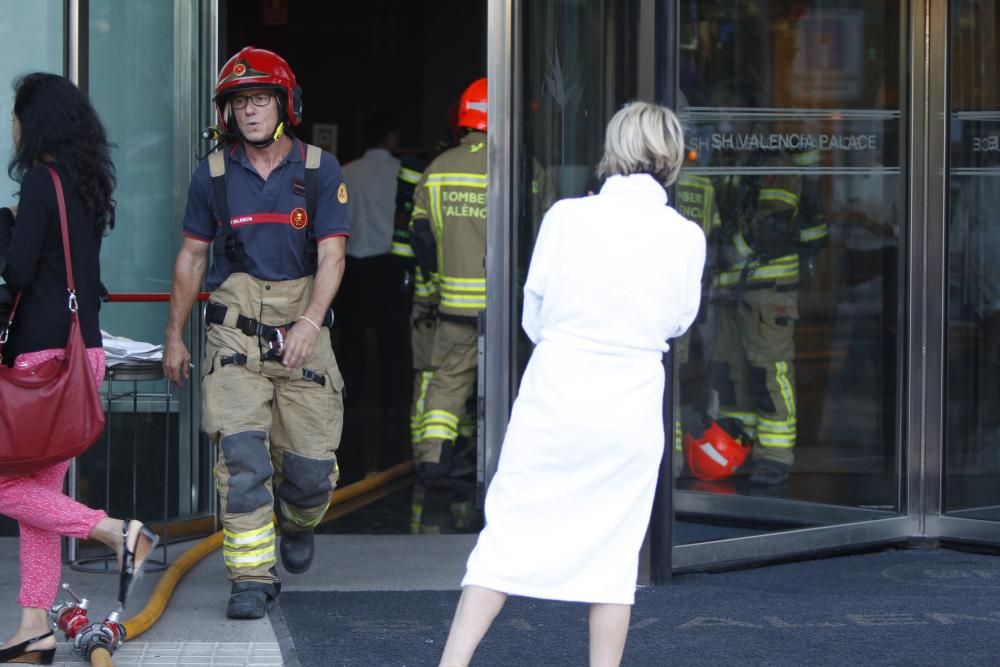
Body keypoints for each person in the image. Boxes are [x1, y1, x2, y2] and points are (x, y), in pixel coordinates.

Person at [439, 101, 706, 667]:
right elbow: (680, 321)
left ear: (615, 149)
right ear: (670, 157)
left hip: (556, 398)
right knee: (614, 559)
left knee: (506, 538)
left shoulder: (565, 216)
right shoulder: (686, 236)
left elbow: (533, 316)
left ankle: (453, 663)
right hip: (630, 408)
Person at [162, 46, 349, 620]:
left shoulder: (319, 169)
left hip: (303, 326)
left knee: (311, 473)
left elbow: (333, 256)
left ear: (284, 103)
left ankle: (295, 522)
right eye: (240, 101)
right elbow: (193, 258)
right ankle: (250, 579)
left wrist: (310, 322)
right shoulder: (213, 175)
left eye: (261, 98)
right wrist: (175, 333)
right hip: (233, 336)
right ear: (228, 113)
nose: (250, 110)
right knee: (243, 460)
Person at [0, 72, 158, 665]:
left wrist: (8, 228)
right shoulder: (83, 186)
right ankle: (34, 629)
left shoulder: (41, 183)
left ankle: (120, 534)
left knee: (8, 485)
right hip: (83, 357)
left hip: (44, 362)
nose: (12, 128)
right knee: (39, 501)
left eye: (16, 116)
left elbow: (17, 275)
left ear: (35, 123)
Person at [706, 80, 807, 487]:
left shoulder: (773, 163)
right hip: (730, 291)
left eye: (730, 115)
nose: (724, 123)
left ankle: (775, 458)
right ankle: (740, 446)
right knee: (730, 373)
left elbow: (774, 224)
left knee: (769, 373)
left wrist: (732, 249)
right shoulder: (732, 163)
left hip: (768, 293)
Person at [410, 78, 488, 487]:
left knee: (447, 382)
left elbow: (420, 240)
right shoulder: (516, 169)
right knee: (501, 386)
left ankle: (434, 462)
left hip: (453, 306)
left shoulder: (437, 170)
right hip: (501, 310)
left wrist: (435, 287)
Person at [335, 111, 410, 472]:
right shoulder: (402, 173)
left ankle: (348, 403)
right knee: (392, 341)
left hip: (352, 266)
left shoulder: (346, 173)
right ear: (392, 137)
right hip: (389, 265)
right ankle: (393, 404)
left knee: (350, 342)